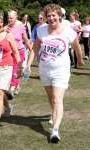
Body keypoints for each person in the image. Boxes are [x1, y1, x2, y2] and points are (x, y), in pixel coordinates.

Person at [27, 4, 84, 143]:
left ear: (59, 16)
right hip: (45, 69)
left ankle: (55, 131)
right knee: (52, 98)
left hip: (61, 70)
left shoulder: (69, 31)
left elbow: (76, 46)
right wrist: (28, 65)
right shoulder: (41, 30)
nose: (51, 18)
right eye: (49, 16)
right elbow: (35, 48)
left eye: (54, 15)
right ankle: (54, 115)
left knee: (58, 99)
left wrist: (80, 60)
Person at [7, 10, 32, 97]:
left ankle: (12, 89)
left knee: (15, 69)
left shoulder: (21, 26)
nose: (9, 19)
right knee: (11, 70)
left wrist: (31, 50)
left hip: (19, 51)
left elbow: (25, 39)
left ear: (16, 18)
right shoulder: (6, 28)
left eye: (11, 18)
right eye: (8, 18)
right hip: (9, 53)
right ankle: (15, 86)